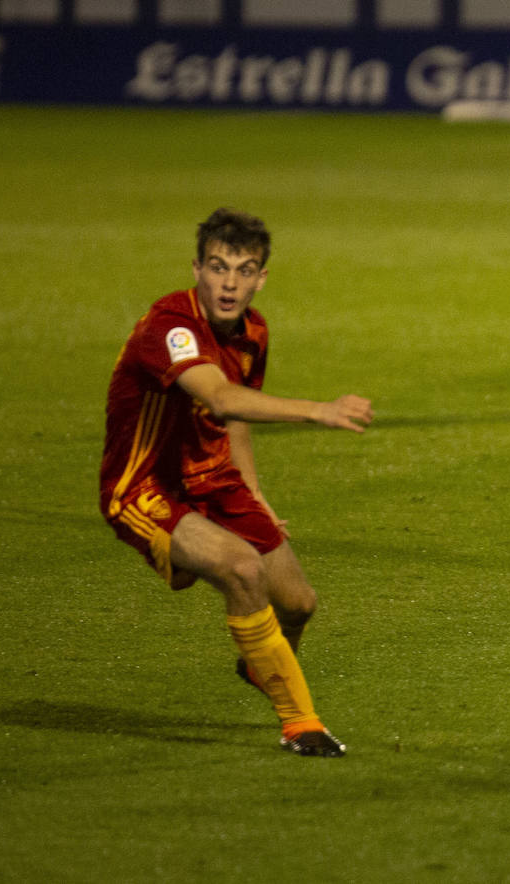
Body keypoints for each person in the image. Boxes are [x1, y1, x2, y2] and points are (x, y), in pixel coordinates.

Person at [100, 208, 374, 756]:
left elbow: (235, 417)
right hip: (146, 488)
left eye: (245, 270)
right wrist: (318, 410)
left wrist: (255, 493)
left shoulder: (253, 331)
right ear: (197, 268)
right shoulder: (170, 329)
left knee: (298, 604)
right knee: (243, 570)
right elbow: (220, 396)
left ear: (262, 277)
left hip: (215, 479)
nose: (230, 283)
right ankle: (301, 724)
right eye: (219, 267)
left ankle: (260, 665)